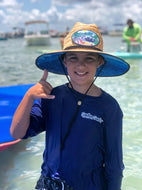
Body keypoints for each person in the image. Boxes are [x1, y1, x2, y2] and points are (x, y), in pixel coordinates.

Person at [10, 22, 130, 190]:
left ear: (100, 62)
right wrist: (29, 96)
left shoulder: (109, 107)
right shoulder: (51, 97)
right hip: (47, 184)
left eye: (89, 58)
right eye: (73, 57)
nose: (80, 65)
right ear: (64, 60)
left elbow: (114, 164)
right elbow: (17, 133)